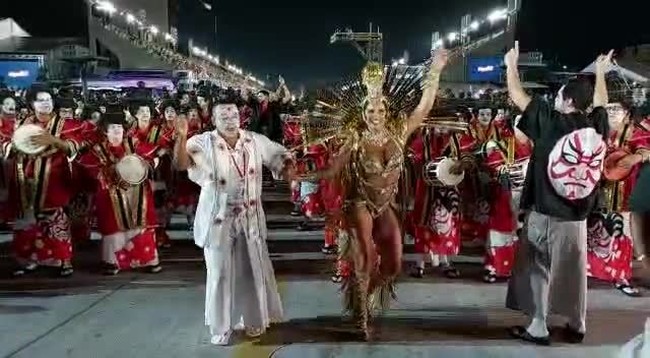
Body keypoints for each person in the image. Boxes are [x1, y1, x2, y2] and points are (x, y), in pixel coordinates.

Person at [298, 49, 448, 340]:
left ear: (387, 111)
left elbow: (425, 105)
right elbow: (331, 171)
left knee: (392, 265)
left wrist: (436, 71)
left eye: (380, 110)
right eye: (370, 111)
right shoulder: (355, 139)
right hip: (360, 204)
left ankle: (362, 296)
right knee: (364, 260)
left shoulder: (400, 132)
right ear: (363, 113)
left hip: (385, 205)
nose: (376, 115)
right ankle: (362, 319)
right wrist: (301, 175)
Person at [505, 42, 612, 345]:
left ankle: (538, 326)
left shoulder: (552, 122)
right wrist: (601, 73)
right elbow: (602, 104)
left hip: (546, 212)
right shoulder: (597, 126)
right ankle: (577, 324)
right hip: (578, 216)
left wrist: (511, 65)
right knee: (576, 272)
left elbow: (518, 97)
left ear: (565, 99)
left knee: (537, 266)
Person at [175, 100, 294, 346]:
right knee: (219, 273)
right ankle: (221, 326)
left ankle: (252, 320)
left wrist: (290, 165)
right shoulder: (201, 141)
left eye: (234, 117)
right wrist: (181, 134)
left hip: (249, 218)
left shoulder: (254, 140)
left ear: (241, 118)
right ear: (214, 120)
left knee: (252, 270)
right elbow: (181, 164)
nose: (230, 121)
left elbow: (280, 158)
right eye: (224, 118)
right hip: (218, 219)